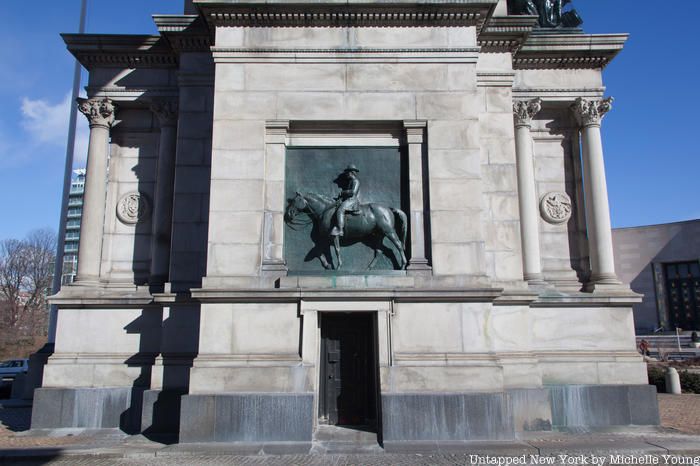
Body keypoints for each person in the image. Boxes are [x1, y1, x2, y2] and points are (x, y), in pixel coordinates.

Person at [330, 165, 361, 237]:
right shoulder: (351, 181)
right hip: (348, 199)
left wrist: (342, 192)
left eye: (348, 172)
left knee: (340, 210)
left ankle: (340, 230)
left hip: (352, 200)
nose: (347, 174)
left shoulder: (355, 181)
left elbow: (353, 192)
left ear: (352, 173)